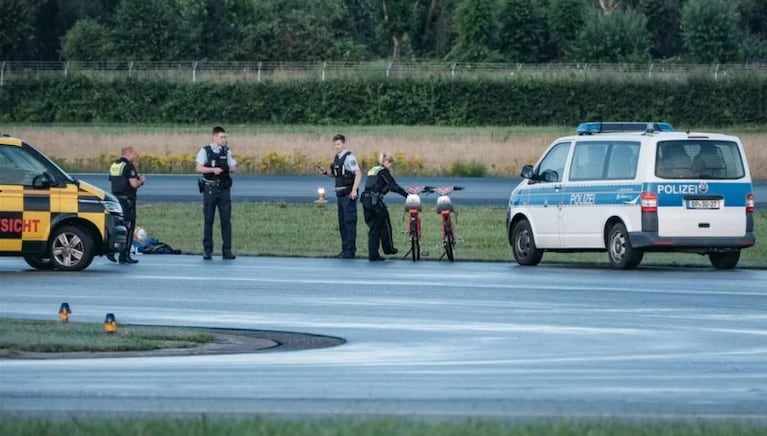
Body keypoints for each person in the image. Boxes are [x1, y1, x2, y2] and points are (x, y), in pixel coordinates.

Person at [196, 126, 237, 260]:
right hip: (210, 188)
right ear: (214, 137)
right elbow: (199, 167)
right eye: (221, 137)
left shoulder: (227, 151)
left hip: (224, 189)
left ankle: (227, 250)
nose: (224, 139)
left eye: (225, 137)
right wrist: (213, 170)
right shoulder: (205, 151)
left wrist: (228, 168)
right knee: (209, 219)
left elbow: (234, 167)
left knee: (226, 221)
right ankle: (207, 250)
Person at [319, 134, 362, 259]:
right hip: (340, 195)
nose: (336, 146)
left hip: (348, 195)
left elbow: (358, 174)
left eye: (338, 144)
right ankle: (345, 250)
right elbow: (338, 174)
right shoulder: (337, 158)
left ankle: (350, 251)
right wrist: (326, 173)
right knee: (342, 223)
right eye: (335, 144)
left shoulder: (349, 157)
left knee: (349, 223)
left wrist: (354, 190)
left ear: (343, 144)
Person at [361, 152, 408, 261]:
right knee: (385, 223)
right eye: (390, 162)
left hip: (366, 201)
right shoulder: (383, 172)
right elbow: (394, 186)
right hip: (375, 202)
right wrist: (407, 195)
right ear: (385, 162)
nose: (391, 165)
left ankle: (373, 255)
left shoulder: (373, 170)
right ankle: (389, 249)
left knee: (374, 228)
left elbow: (382, 186)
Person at [108, 146, 146, 264]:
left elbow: (114, 181)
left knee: (116, 227)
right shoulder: (129, 166)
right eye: (134, 154)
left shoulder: (114, 165)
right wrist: (142, 180)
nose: (134, 156)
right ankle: (125, 256)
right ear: (129, 154)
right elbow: (133, 184)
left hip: (115, 200)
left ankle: (110, 251)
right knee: (128, 228)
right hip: (127, 201)